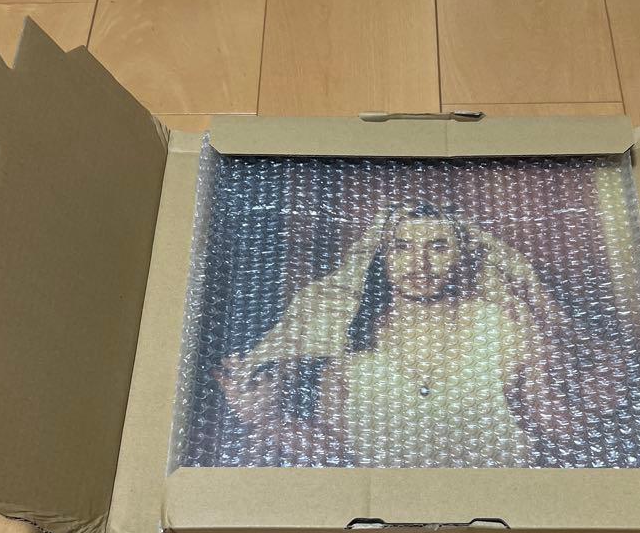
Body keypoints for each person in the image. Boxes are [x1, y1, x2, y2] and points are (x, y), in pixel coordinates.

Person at [213, 199, 582, 467]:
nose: (420, 263)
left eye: (438, 247)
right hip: (391, 511)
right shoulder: (347, 341)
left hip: (499, 499)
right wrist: (265, 419)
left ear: (460, 255)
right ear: (382, 257)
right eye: (402, 247)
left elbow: (552, 420)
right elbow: (337, 449)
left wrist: (590, 394)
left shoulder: (502, 325)